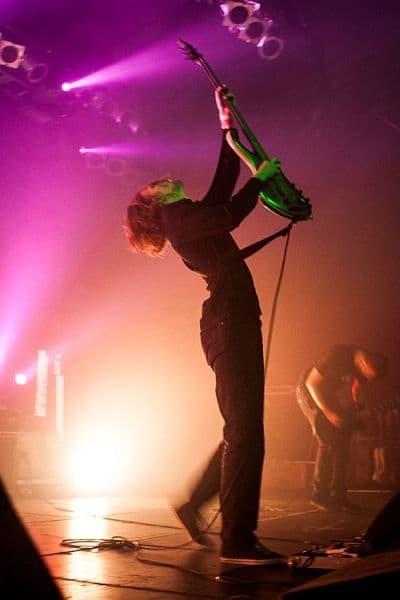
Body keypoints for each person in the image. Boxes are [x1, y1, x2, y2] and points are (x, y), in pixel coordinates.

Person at [124, 86, 290, 566]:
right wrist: (262, 179)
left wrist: (225, 124)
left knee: (241, 427)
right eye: (156, 183)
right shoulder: (177, 218)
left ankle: (194, 504)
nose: (164, 178)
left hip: (229, 320)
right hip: (227, 322)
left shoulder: (188, 216)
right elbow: (232, 211)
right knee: (245, 430)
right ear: (154, 203)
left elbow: (224, 182)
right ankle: (237, 541)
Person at [296, 344, 388, 512]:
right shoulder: (337, 357)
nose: (367, 379)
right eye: (368, 376)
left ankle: (338, 495)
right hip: (311, 392)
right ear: (365, 363)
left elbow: (356, 388)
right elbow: (312, 383)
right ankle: (319, 495)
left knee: (344, 441)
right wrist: (329, 413)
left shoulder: (363, 367)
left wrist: (356, 410)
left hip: (331, 395)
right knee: (328, 440)